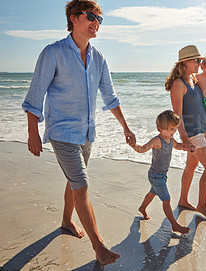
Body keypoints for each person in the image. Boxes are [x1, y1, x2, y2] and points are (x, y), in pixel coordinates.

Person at [21, 0, 135, 266]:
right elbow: (34, 96)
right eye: (91, 16)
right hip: (62, 132)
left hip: (86, 133)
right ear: (74, 18)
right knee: (81, 187)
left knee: (74, 182)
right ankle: (99, 246)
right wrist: (32, 132)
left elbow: (110, 96)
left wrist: (126, 127)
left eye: (99, 19)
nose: (96, 22)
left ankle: (66, 221)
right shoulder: (52, 53)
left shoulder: (99, 58)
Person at [165, 45, 206, 220]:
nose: (200, 63)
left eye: (200, 60)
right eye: (196, 60)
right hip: (193, 133)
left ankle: (183, 200)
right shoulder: (178, 84)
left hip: (202, 130)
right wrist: (184, 138)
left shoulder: (194, 81)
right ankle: (202, 205)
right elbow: (177, 114)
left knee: (191, 166)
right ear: (185, 62)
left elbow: (202, 106)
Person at [129, 110, 191, 234]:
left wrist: (187, 147)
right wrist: (133, 145)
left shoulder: (170, 139)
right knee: (166, 200)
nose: (173, 132)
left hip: (162, 175)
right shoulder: (157, 140)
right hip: (155, 175)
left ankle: (142, 208)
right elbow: (142, 149)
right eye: (171, 129)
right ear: (160, 128)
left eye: (175, 129)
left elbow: (178, 145)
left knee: (152, 193)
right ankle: (174, 225)